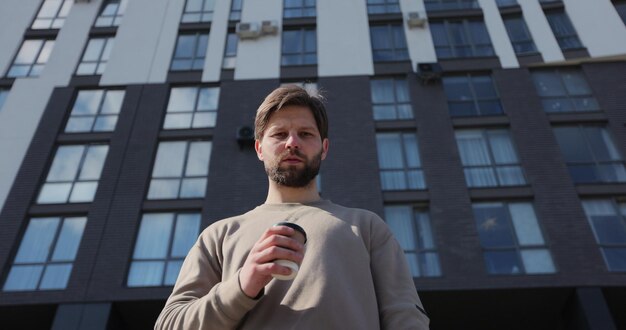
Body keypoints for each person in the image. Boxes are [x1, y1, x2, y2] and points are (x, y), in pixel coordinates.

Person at [155, 86, 430, 329]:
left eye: (305, 133)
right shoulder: (219, 235)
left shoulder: (368, 226)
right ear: (260, 148)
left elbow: (405, 317)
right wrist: (243, 284)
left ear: (324, 148)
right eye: (279, 134)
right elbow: (170, 324)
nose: (292, 142)